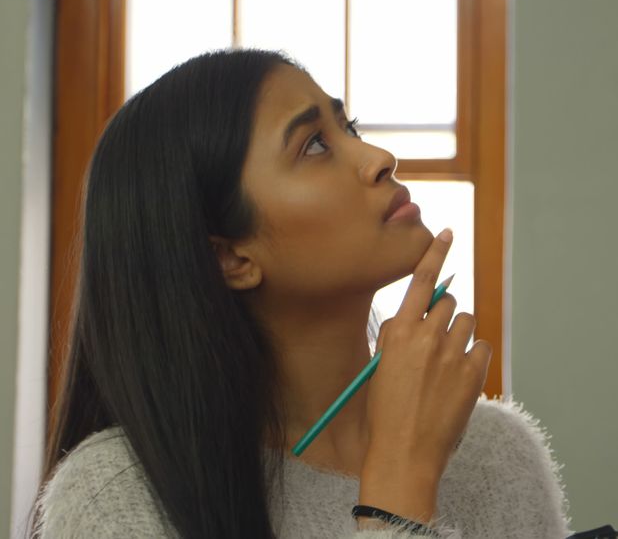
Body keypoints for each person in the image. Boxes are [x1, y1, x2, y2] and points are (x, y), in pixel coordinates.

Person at [31, 49, 571, 538]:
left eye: (348, 126)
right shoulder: (116, 493)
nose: (379, 157)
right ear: (231, 257)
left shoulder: (498, 454)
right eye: (314, 144)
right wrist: (399, 491)